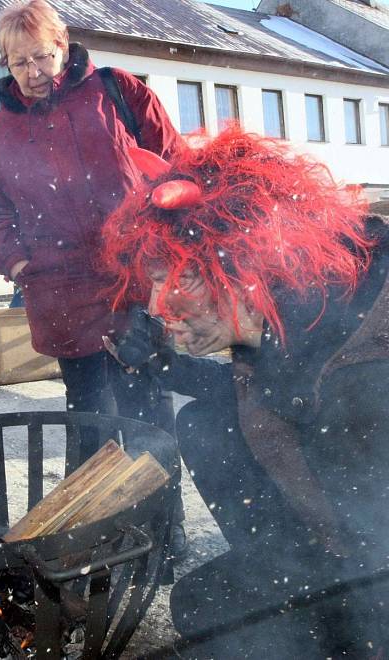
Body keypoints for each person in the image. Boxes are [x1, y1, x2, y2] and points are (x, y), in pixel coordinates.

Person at [101, 126, 389, 657]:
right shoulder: (286, 310)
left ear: (244, 262)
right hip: (335, 541)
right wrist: (161, 362)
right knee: (201, 600)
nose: (160, 305)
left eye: (177, 279)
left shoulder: (365, 368)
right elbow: (266, 386)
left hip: (373, 568)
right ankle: (286, 570)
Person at [0, 0, 186, 551]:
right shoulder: (3, 130)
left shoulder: (119, 91)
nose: (33, 72)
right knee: (91, 422)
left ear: (64, 47)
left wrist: (167, 251)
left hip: (134, 281)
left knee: (149, 414)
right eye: (18, 62)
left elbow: (177, 170)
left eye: (42, 56)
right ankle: (97, 534)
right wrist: (19, 262)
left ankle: (164, 528)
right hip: (63, 294)